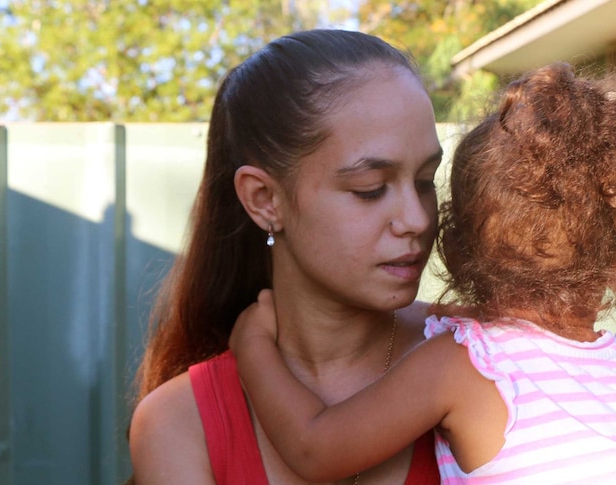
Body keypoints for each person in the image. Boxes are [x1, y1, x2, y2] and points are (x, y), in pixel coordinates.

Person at [229, 61, 616, 484]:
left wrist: (251, 345)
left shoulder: (465, 366)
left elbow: (315, 450)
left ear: (450, 250)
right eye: (371, 188)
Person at [128, 29, 445, 485]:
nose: (416, 219)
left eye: (425, 181)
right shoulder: (178, 423)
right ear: (264, 200)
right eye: (369, 190)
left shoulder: (486, 359)